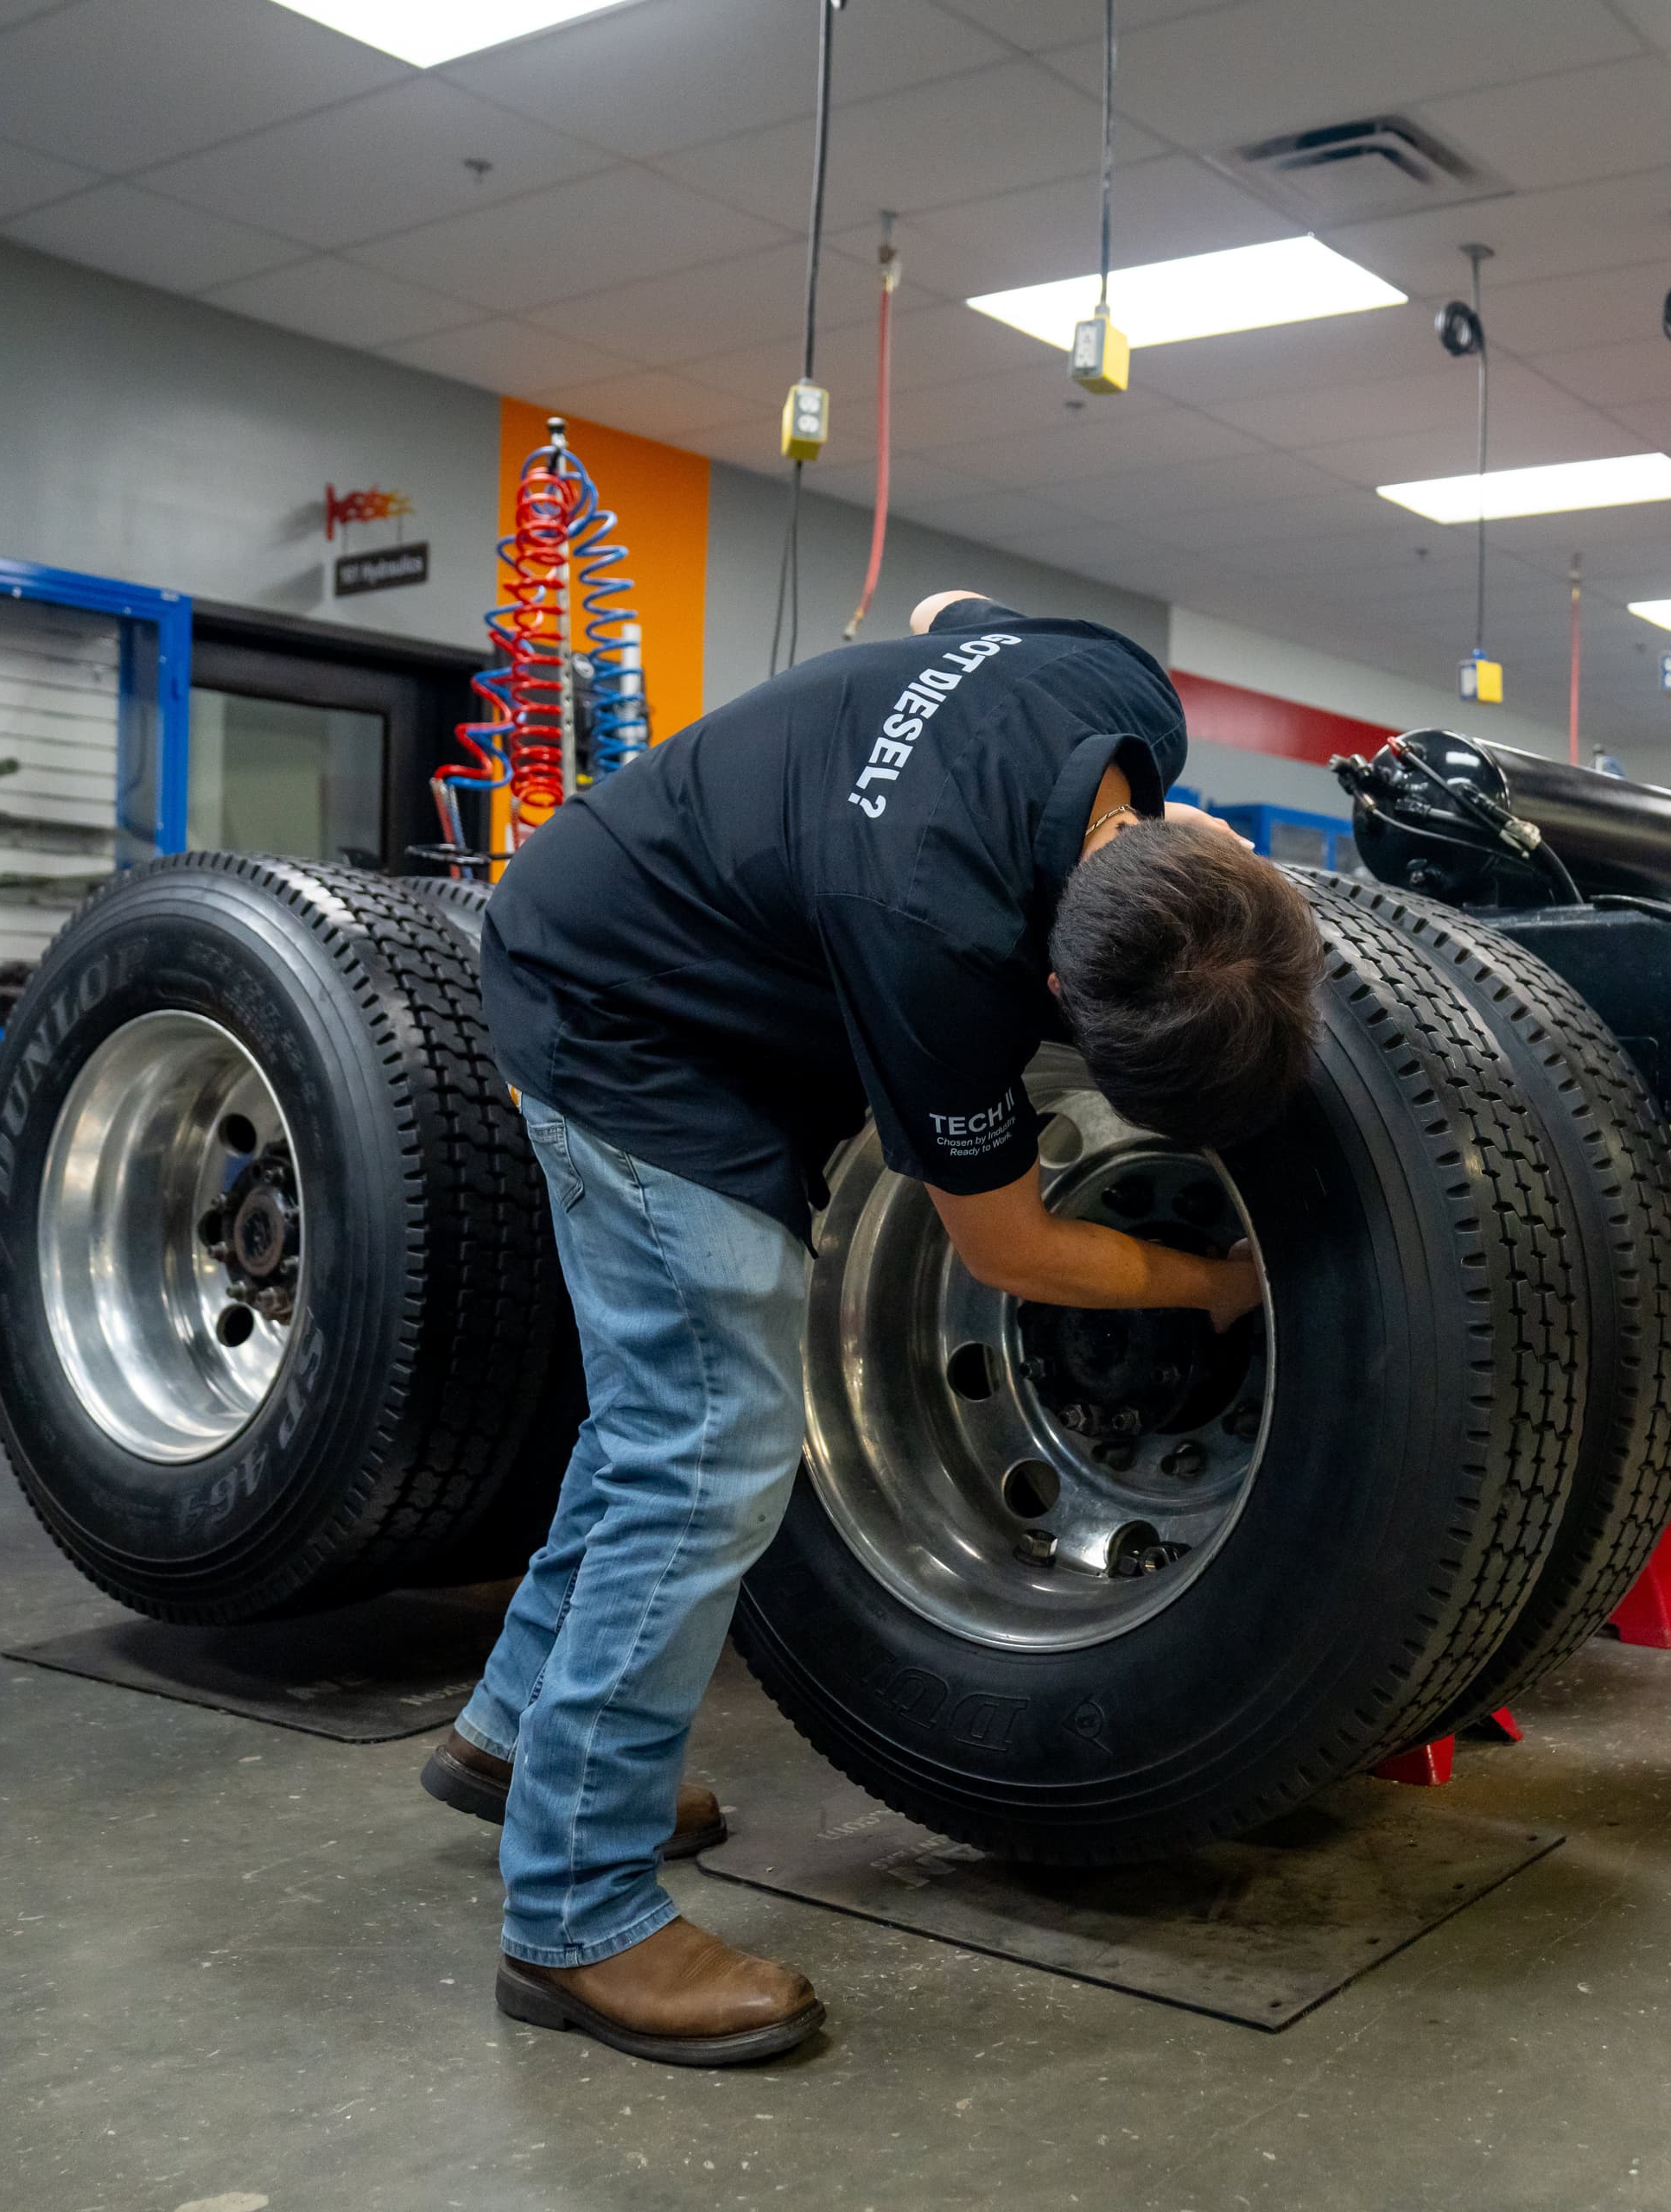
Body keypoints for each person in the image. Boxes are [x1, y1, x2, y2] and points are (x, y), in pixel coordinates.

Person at [419, 588, 1323, 2068]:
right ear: (1049, 987)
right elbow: (1008, 1240)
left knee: (662, 1414)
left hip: (665, 903)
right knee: (715, 1445)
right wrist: (1204, 1285)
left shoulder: (1116, 693)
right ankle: (575, 1912)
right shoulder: (937, 937)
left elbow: (944, 609)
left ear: (1206, 845)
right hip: (611, 1017)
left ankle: (522, 1741)